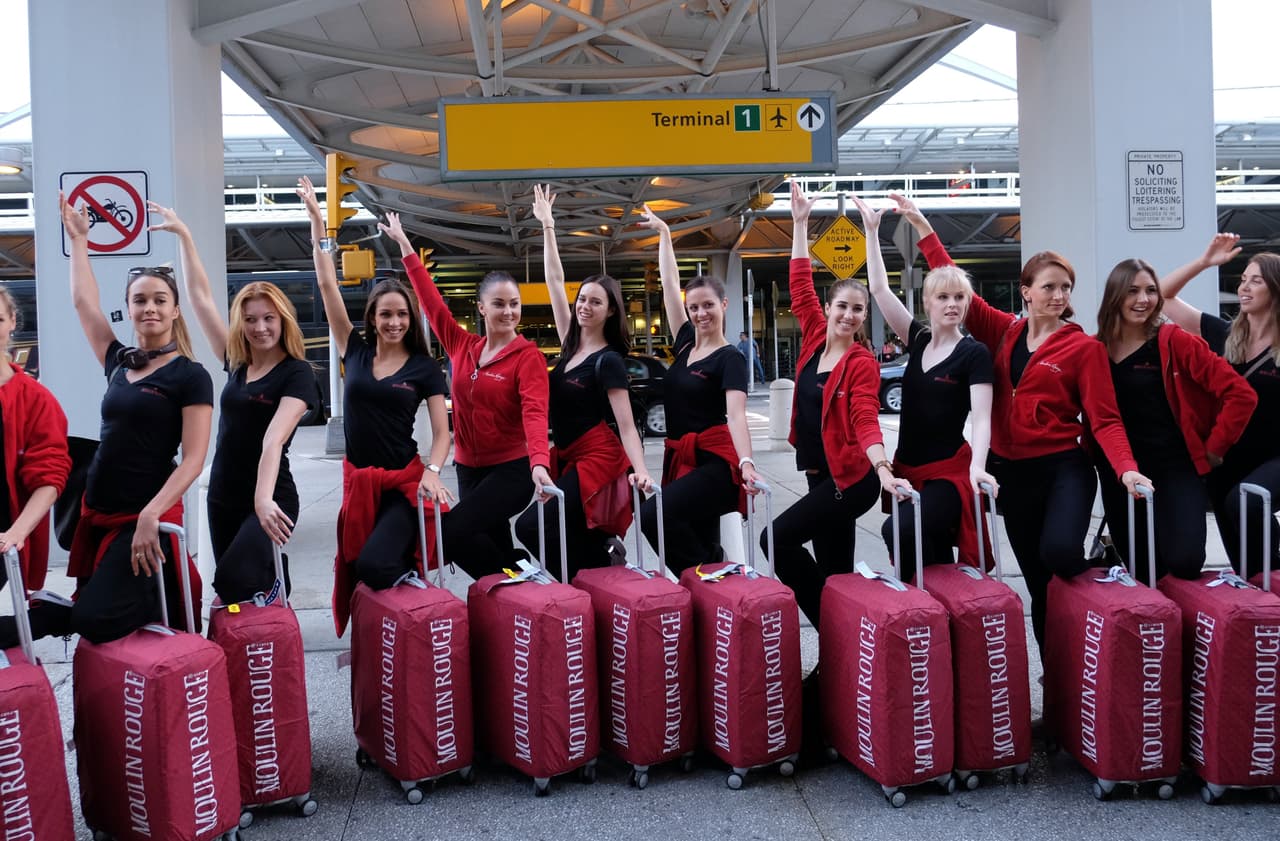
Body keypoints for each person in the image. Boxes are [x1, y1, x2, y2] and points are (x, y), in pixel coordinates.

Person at [893, 193, 1151, 651]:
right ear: (1026, 290)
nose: (1058, 295)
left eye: (1065, 287)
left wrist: (1125, 466)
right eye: (1048, 286)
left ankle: (1106, 559)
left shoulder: (1083, 348)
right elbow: (956, 288)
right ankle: (1056, 676)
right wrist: (922, 227)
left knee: (1059, 555)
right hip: (1012, 474)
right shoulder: (1006, 332)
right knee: (1036, 579)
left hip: (1061, 469)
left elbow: (1105, 419)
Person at [298, 178, 452, 636]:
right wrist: (316, 221)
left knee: (375, 564)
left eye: (402, 314)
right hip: (358, 483)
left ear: (411, 319)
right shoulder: (355, 350)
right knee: (359, 566)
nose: (394, 321)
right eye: (386, 314)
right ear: (372, 317)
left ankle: (412, 608)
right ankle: (387, 638)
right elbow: (327, 284)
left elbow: (443, 433)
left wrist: (433, 470)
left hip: (402, 484)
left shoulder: (425, 367)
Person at [59, 192, 213, 643]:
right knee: (101, 616)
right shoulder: (119, 362)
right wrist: (80, 242)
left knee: (93, 620)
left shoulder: (191, 375)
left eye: (160, 300)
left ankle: (56, 617)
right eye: (140, 300)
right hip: (99, 512)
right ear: (129, 307)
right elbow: (85, 305)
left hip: (143, 517)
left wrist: (152, 513)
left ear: (175, 309)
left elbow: (193, 459)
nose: (150, 308)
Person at [150, 202, 316, 604]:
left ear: (283, 321)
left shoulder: (297, 373)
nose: (260, 327)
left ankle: (279, 590)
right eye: (251, 319)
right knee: (232, 592)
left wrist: (263, 500)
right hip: (223, 493)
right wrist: (185, 237)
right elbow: (200, 297)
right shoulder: (236, 361)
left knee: (232, 578)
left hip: (272, 494)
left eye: (269, 318)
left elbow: (273, 440)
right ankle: (268, 611)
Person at [758, 185, 904, 629]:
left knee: (775, 540)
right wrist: (799, 223)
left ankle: (840, 629)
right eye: (842, 305)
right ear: (828, 308)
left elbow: (864, 418)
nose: (850, 314)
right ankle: (844, 656)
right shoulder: (814, 340)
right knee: (835, 570)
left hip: (852, 479)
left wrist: (882, 469)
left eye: (858, 309)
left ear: (864, 316)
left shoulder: (861, 363)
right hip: (818, 474)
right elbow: (800, 282)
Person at [380, 211, 553, 579]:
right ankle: (520, 594)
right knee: (495, 546)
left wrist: (540, 462)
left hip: (512, 470)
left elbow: (535, 413)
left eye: (514, 304)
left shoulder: (528, 357)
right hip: (469, 468)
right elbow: (430, 302)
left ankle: (519, 584)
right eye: (499, 304)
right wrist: (406, 246)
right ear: (482, 307)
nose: (508, 312)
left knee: (452, 534)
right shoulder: (463, 346)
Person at [511, 186, 653, 577]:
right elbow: (555, 282)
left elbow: (626, 424)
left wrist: (639, 470)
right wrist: (548, 227)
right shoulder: (570, 343)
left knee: (530, 526)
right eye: (583, 299)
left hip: (597, 456)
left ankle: (585, 579)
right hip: (570, 453)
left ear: (610, 313)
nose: (584, 305)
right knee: (557, 526)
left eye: (595, 301)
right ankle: (598, 566)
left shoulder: (608, 361)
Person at [855, 194, 998, 581]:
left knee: (897, 530)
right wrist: (871, 233)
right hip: (908, 470)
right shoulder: (917, 339)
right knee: (925, 552)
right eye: (943, 297)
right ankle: (931, 619)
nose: (952, 304)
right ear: (927, 302)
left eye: (959, 298)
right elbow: (880, 291)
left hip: (949, 475)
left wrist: (979, 468)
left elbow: (982, 419)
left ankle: (928, 609)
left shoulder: (974, 354)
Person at [1091, 257, 1256, 582]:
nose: (1143, 299)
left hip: (1175, 467)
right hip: (1121, 474)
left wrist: (1215, 447)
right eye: (1133, 291)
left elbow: (1241, 394)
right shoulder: (1095, 348)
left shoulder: (1174, 342)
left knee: (1184, 560)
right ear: (1115, 296)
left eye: (1151, 290)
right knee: (1144, 571)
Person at [635, 205, 761, 574]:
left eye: (708, 305)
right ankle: (713, 593)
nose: (700, 313)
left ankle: (709, 575)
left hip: (715, 465)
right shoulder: (687, 344)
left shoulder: (730, 358)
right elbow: (669, 285)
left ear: (723, 305)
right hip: (683, 460)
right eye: (694, 308)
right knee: (697, 536)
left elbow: (736, 416)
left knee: (652, 517)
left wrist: (747, 462)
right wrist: (664, 236)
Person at [1157, 236, 1279, 578]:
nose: (1245, 287)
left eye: (1257, 281)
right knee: (1245, 564)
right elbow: (1163, 297)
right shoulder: (1224, 334)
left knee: (1249, 499)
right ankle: (1261, 609)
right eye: (1243, 279)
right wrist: (1205, 262)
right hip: (1228, 461)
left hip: (1274, 458)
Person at [0, 287, 71, 649]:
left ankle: (47, 618)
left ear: (12, 323)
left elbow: (50, 477)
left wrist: (17, 533)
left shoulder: (34, 399)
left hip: (5, 529)